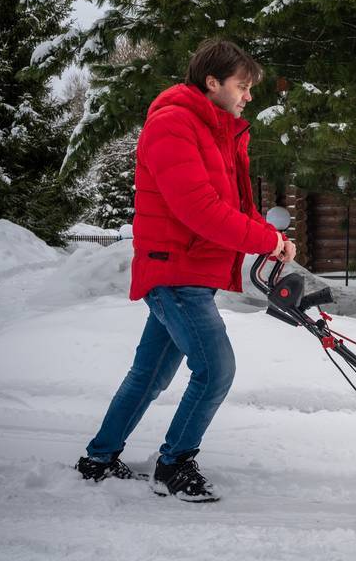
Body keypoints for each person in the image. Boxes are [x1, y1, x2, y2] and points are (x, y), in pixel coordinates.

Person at [74, 39, 295, 502]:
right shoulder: (174, 124)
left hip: (189, 271)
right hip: (174, 272)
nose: (248, 96)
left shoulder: (218, 130)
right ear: (211, 82)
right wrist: (265, 240)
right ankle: (174, 465)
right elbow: (200, 210)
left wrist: (270, 239)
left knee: (149, 376)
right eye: (242, 86)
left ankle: (99, 458)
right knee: (215, 371)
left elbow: (234, 205)